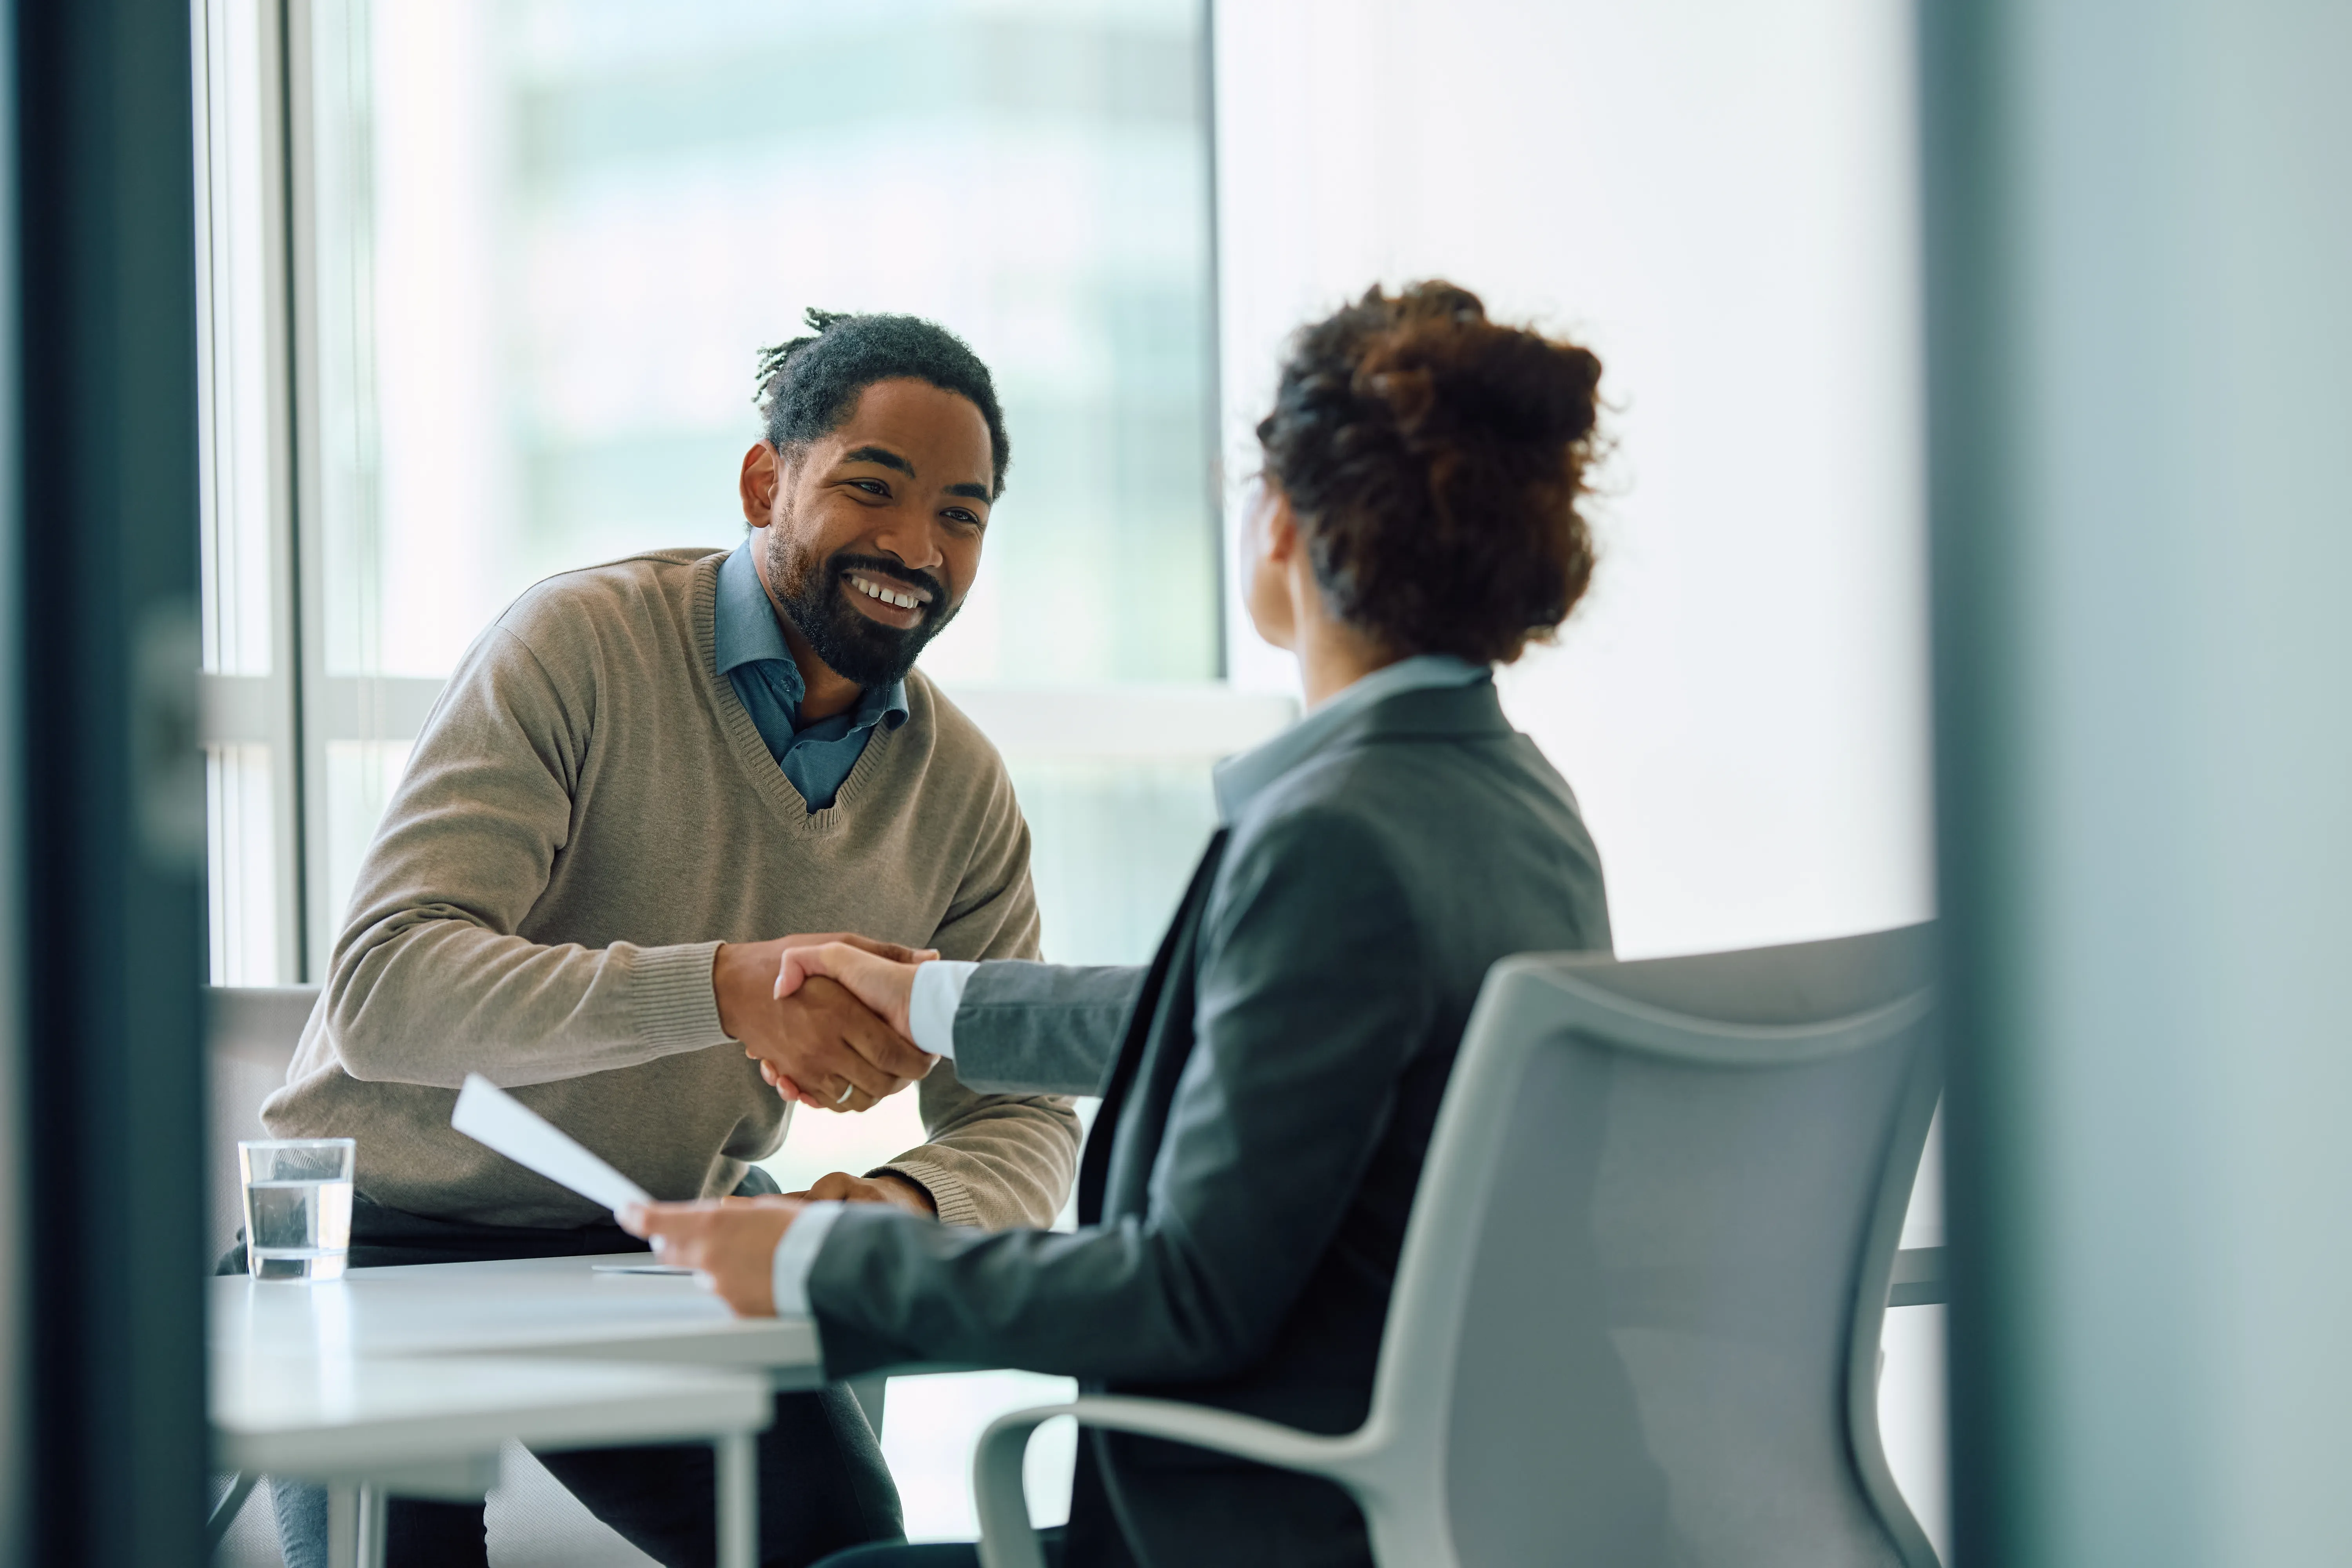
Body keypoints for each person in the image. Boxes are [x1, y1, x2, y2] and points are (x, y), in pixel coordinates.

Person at [628, 281, 1616, 1568]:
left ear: (1289, 531)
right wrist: (933, 1001)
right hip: (1449, 1502)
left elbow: (1180, 1295)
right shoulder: (1521, 808)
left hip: (1243, 1529)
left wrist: (820, 1262)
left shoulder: (1336, 838)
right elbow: (1255, 1009)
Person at [254, 309, 1082, 1568]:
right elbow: (385, 987)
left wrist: (911, 1197)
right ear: (768, 480)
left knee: (843, 1550)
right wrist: (723, 989)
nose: (915, 547)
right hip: (377, 1246)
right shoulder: (579, 646)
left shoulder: (960, 785)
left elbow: (1021, 1111)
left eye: (961, 516)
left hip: (649, 1247)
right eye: (874, 489)